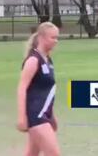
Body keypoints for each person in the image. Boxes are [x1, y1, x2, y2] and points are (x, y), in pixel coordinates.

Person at [17, 22, 61, 156]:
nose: (56, 41)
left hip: (44, 114)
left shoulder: (48, 60)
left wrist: (52, 115)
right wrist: (22, 117)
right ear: (41, 38)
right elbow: (22, 88)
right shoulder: (33, 60)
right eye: (52, 37)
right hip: (36, 115)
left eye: (57, 37)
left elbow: (46, 91)